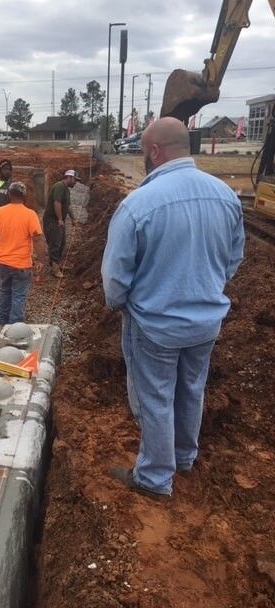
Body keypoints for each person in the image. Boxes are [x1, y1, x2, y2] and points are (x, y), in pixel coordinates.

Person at [101, 117, 245, 499]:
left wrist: (120, 304)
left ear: (154, 151)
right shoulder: (225, 195)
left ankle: (154, 477)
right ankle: (184, 456)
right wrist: (205, 289)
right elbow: (233, 258)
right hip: (206, 322)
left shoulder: (138, 204)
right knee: (192, 389)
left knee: (156, 397)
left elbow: (115, 277)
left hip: (155, 326)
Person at [0, 181, 46, 324]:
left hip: (2, 262)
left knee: (5, 292)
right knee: (18, 296)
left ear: (9, 194)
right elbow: (37, 239)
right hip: (22, 264)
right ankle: (15, 327)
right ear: (24, 196)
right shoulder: (30, 214)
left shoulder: (0, 212)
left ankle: (2, 324)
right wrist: (41, 259)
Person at [42, 169, 79, 278]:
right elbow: (57, 202)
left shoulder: (66, 190)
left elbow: (67, 206)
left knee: (62, 243)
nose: (75, 182)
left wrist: (73, 219)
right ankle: (55, 269)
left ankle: (56, 263)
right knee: (55, 244)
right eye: (74, 180)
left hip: (58, 221)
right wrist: (60, 219)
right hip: (52, 220)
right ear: (69, 177)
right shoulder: (59, 186)